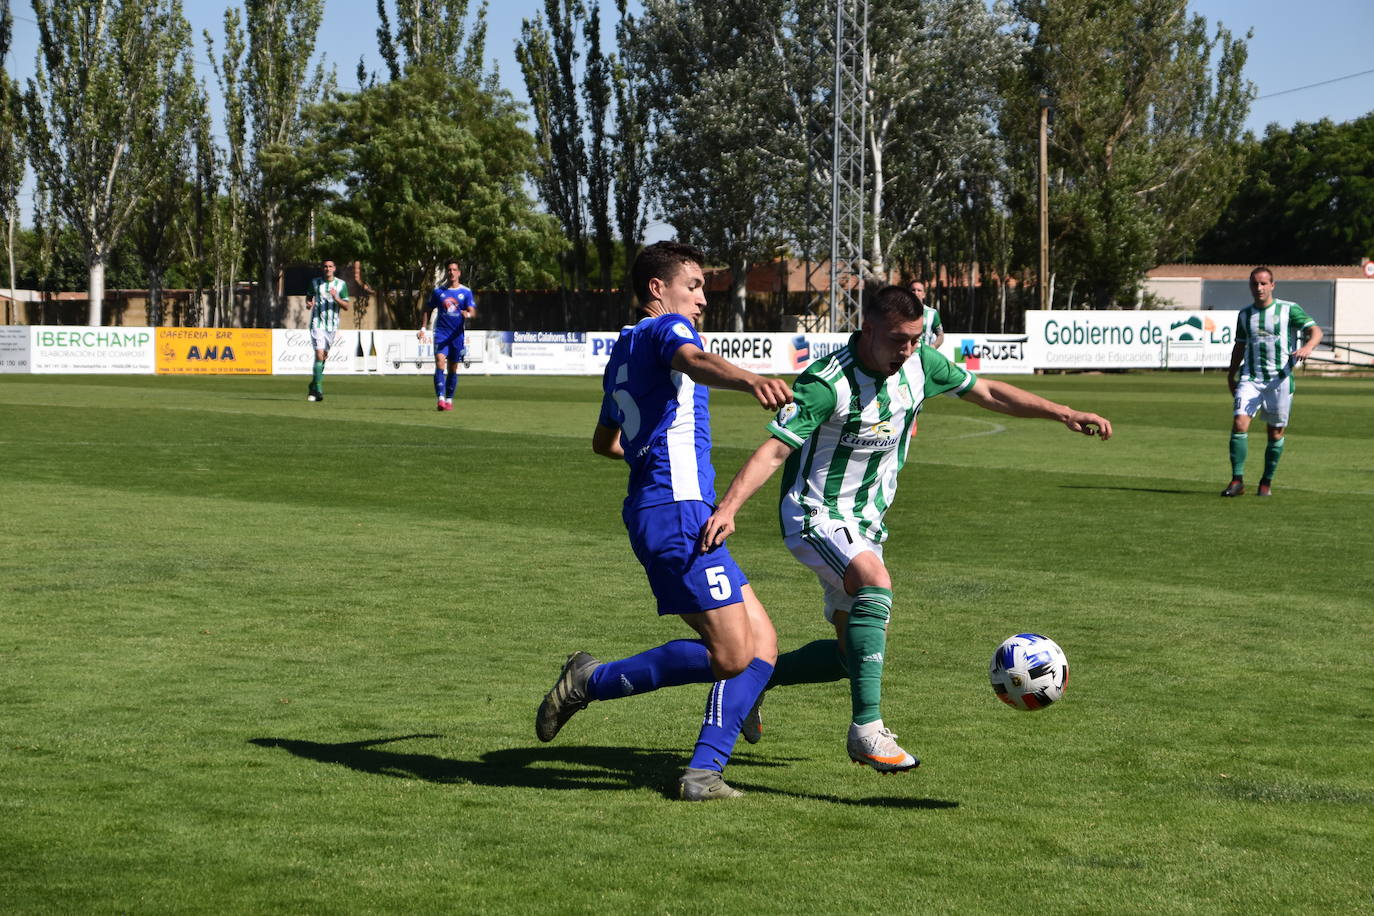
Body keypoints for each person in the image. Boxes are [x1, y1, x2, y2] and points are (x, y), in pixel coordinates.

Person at [700, 285, 1111, 773]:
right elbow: (775, 449)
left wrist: (1063, 412)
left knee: (850, 656)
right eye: (898, 340)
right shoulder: (825, 382)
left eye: (915, 339)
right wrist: (729, 508)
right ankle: (866, 732)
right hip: (814, 514)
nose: (908, 350)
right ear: (868, 330)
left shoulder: (921, 363)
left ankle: (753, 680)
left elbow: (990, 392)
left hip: (868, 522)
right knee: (875, 583)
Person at [535, 241, 793, 801]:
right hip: (677, 512)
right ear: (659, 289)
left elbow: (605, 441)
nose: (702, 299)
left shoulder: (622, 352)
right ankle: (588, 681)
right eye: (694, 286)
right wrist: (750, 380)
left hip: (671, 508)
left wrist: (646, 459)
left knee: (763, 644)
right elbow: (696, 361)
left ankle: (703, 772)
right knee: (733, 654)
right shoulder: (664, 332)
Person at [1221, 266, 1322, 498]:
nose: (1259, 288)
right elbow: (1240, 345)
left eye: (1264, 283)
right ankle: (1237, 481)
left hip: (1280, 380)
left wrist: (1307, 346)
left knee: (1275, 433)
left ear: (1272, 285)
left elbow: (1315, 331)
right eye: (1255, 284)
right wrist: (1231, 374)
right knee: (1239, 424)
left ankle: (1266, 481)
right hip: (1250, 378)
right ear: (1250, 286)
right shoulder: (1245, 315)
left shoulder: (1289, 310)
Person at [418, 259, 476, 412]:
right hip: (441, 333)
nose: (451, 272)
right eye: (449, 270)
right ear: (447, 272)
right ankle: (441, 399)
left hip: (457, 335)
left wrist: (467, 314)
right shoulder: (439, 292)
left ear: (459, 273)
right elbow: (427, 309)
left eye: (454, 269)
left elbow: (473, 311)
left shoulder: (466, 292)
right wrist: (423, 328)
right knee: (439, 361)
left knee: (453, 368)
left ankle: (449, 399)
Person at [305, 259, 350, 402]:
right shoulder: (315, 282)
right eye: (325, 266)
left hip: (332, 326)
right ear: (322, 268)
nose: (327, 269)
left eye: (330, 266)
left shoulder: (341, 285)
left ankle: (313, 384)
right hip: (317, 323)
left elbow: (346, 306)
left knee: (323, 356)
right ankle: (318, 389)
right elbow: (309, 296)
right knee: (319, 354)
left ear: (334, 268)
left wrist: (336, 297)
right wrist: (309, 303)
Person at [907, 279, 942, 437]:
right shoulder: (902, 312)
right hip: (904, 358)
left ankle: (914, 416)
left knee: (919, 390)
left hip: (923, 359)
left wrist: (933, 348)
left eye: (919, 290)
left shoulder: (932, 313)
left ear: (924, 294)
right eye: (913, 290)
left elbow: (940, 334)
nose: (916, 293)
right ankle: (907, 421)